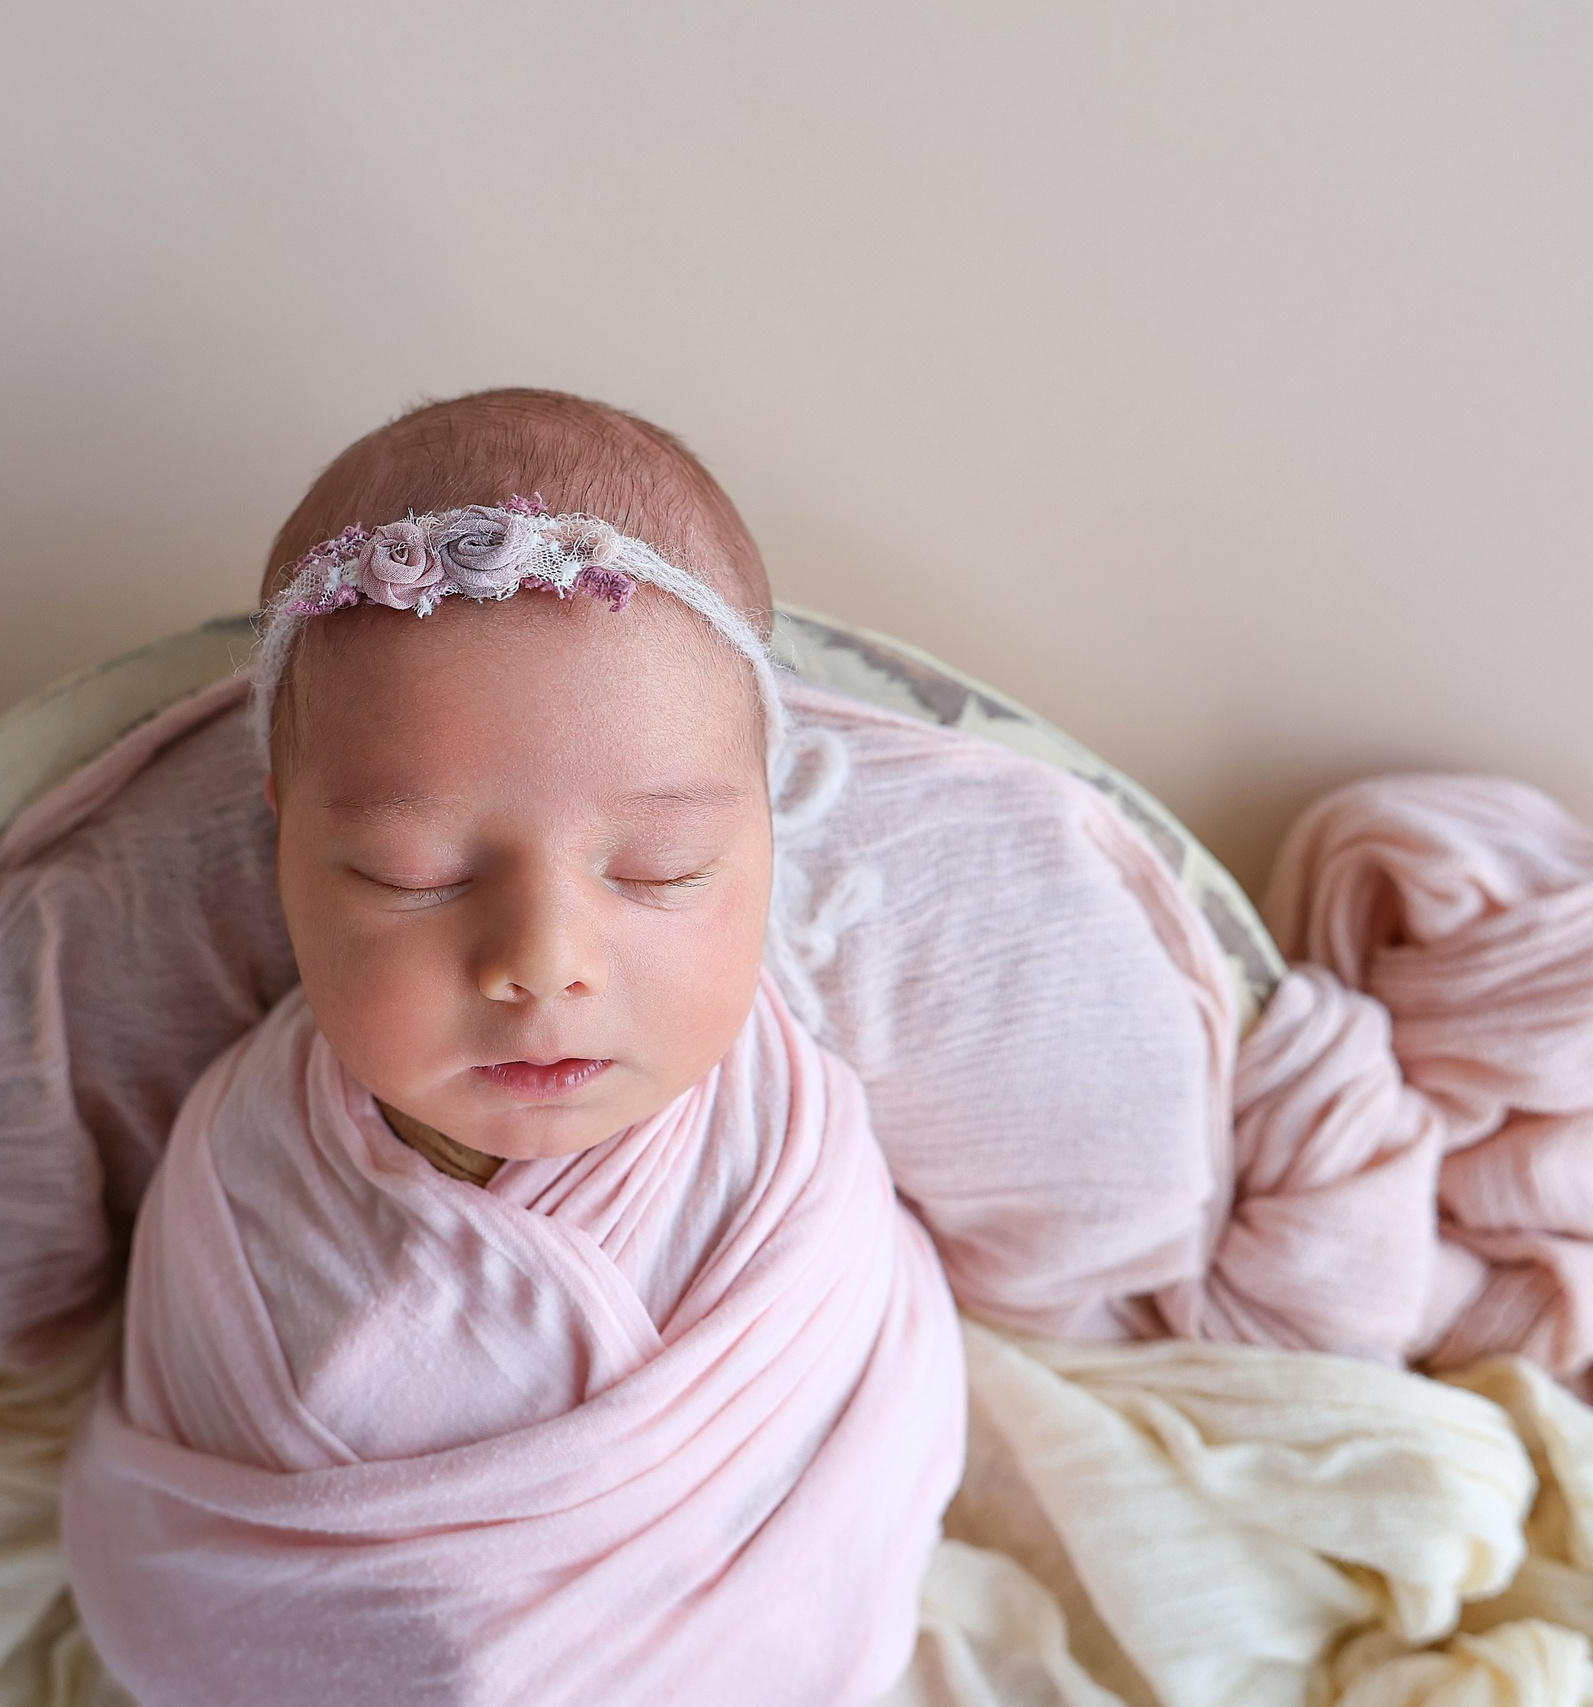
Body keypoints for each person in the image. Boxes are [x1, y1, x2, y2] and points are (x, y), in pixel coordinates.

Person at [58, 483, 964, 1705]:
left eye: (662, 870)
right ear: (283, 841)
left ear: (765, 830)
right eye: (412, 874)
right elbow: (202, 1567)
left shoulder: (786, 1135)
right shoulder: (238, 1175)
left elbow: (861, 1444)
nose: (543, 962)